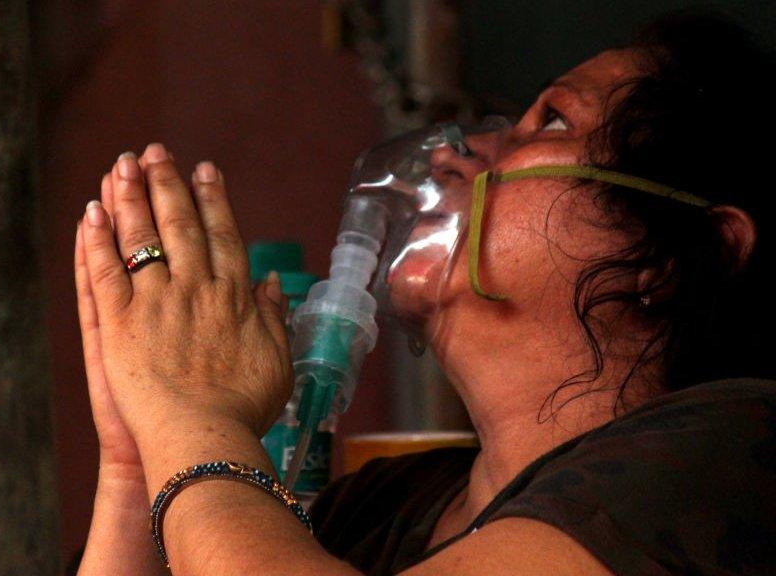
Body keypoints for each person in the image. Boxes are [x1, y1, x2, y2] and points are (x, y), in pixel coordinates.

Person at [71, 11, 776, 576]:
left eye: (552, 121)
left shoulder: (736, 459)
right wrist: (138, 459)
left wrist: (193, 424)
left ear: (677, 258)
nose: (448, 155)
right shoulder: (384, 505)